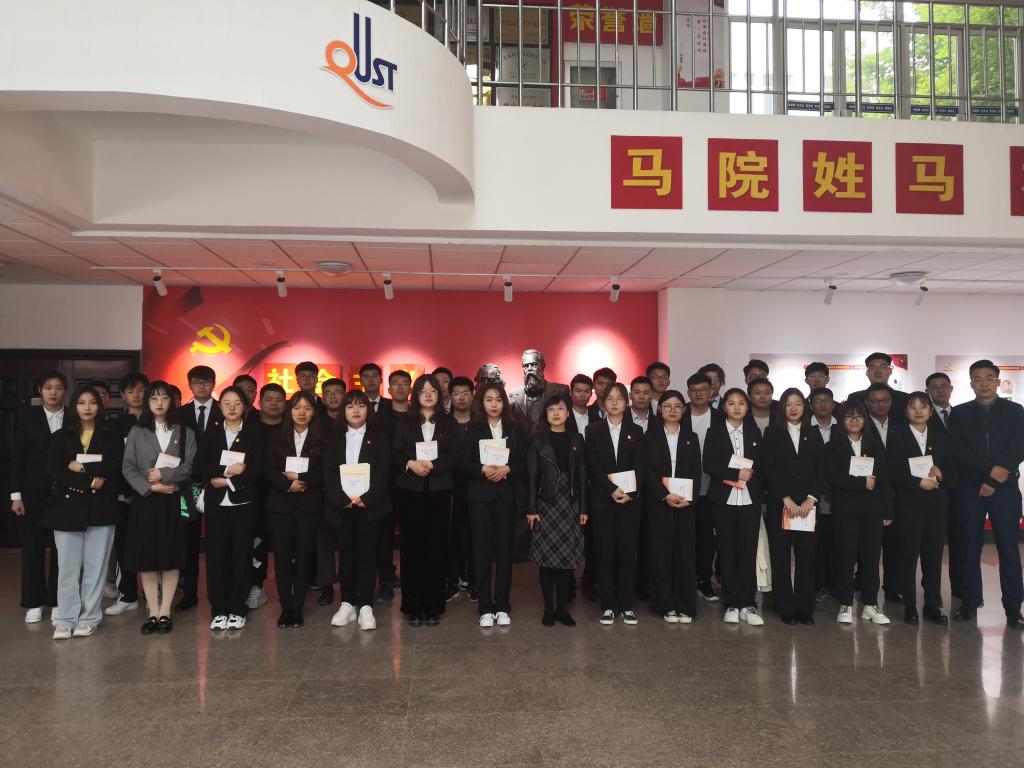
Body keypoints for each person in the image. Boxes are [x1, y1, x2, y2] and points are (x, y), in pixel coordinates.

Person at [948, 360, 1024, 628]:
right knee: (969, 546)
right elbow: (957, 450)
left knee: (1008, 548)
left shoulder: (1015, 411)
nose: (984, 383)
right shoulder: (960, 413)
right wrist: (988, 472)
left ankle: (1013, 608)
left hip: (1005, 489)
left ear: (998, 381)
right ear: (971, 383)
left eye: (989, 378)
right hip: (970, 488)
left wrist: (994, 479)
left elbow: (1018, 446)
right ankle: (970, 601)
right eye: (978, 379)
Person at [43, 386, 122, 639]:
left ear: (100, 406)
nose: (87, 407)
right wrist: (90, 481)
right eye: (81, 403)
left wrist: (82, 468)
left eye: (92, 402)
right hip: (66, 509)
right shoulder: (60, 436)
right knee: (67, 568)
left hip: (101, 508)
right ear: (74, 406)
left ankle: (89, 618)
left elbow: (114, 467)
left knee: (95, 568)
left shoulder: (111, 435)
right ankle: (65, 619)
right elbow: (56, 470)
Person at [122, 380, 197, 635]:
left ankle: (165, 612)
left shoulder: (184, 431)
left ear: (172, 402)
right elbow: (128, 467)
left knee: (170, 557)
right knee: (147, 558)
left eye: (165, 398)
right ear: (147, 402)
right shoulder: (137, 431)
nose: (160, 403)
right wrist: (149, 487)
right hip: (145, 501)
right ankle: (152, 612)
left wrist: (164, 475)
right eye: (154, 398)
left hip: (173, 501)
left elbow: (189, 466)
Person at [194, 386, 265, 631]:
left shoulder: (254, 433)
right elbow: (199, 466)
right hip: (216, 504)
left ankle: (237, 607)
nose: (232, 407)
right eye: (226, 403)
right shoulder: (212, 432)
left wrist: (231, 482)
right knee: (216, 556)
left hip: (243, 503)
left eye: (236, 403)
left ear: (244, 406)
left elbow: (258, 468)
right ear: (220, 406)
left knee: (241, 555)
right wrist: (225, 471)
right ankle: (219, 608)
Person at [392, 374, 459, 626]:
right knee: (411, 548)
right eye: (423, 390)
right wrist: (411, 463)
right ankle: (413, 605)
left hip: (439, 490)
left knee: (436, 548)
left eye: (433, 390)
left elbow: (455, 454)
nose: (428, 394)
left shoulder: (449, 422)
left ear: (439, 395)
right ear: (416, 395)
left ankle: (433, 606)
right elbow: (395, 452)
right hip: (410, 491)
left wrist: (434, 466)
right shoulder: (404, 422)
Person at [324, 389, 391, 631]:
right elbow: (329, 471)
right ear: (343, 410)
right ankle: (347, 602)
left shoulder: (379, 436)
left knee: (367, 555)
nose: (355, 410)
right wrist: (342, 499)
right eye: (350, 406)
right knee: (346, 556)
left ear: (368, 410)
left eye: (361, 405)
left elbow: (383, 471)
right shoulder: (334, 437)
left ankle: (365, 605)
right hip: (343, 507)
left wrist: (367, 498)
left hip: (369, 507)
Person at [887, 392, 955, 626]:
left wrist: (941, 474)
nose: (918, 411)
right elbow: (893, 471)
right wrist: (918, 483)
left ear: (930, 411)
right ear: (906, 412)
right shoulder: (896, 436)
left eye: (923, 406)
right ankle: (910, 606)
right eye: (913, 407)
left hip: (937, 505)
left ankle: (932, 605)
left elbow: (952, 468)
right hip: (909, 505)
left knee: (933, 557)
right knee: (908, 555)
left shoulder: (941, 436)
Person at [463, 382, 527, 627]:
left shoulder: (515, 428)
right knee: (480, 551)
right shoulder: (474, 428)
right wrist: (482, 469)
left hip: (506, 496)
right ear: (482, 403)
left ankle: (502, 605)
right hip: (479, 497)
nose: (493, 404)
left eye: (498, 400)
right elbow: (465, 462)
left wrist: (507, 469)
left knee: (504, 551)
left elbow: (524, 461)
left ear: (504, 403)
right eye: (489, 400)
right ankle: (485, 606)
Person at [825, 400, 893, 626]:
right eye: (849, 416)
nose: (854, 421)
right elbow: (831, 478)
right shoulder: (833, 446)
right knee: (846, 558)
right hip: (845, 510)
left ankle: (871, 604)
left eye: (859, 416)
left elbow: (884, 479)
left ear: (865, 419)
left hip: (872, 511)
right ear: (841, 420)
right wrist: (861, 483)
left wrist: (888, 509)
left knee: (871, 559)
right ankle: (845, 603)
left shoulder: (874, 445)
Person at [763, 388, 826, 626]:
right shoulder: (772, 433)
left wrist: (811, 498)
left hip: (808, 506)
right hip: (781, 504)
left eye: (798, 403)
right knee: (780, 557)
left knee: (806, 557)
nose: (793, 408)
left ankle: (804, 608)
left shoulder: (814, 433)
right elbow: (769, 468)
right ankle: (785, 607)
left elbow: (821, 468)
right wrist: (785, 498)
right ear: (782, 407)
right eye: (788, 404)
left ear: (805, 407)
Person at [526, 394, 588, 627]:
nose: (555, 412)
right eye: (551, 409)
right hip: (546, 503)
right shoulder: (538, 440)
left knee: (566, 560)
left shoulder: (577, 439)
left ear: (568, 413)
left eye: (560, 408)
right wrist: (531, 508)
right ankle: (548, 609)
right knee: (546, 560)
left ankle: (562, 608)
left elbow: (582, 474)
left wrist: (584, 507)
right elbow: (531, 476)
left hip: (570, 503)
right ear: (546, 414)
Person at [703, 388, 764, 626]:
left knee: (748, 552)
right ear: (724, 407)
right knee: (727, 551)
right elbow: (708, 464)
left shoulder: (754, 432)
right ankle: (730, 603)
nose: (737, 407)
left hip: (749, 500)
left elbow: (762, 465)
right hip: (724, 500)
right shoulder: (715, 432)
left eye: (741, 403)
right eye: (731, 403)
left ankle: (748, 604)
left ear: (747, 407)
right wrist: (735, 474)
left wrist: (750, 475)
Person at [586, 383, 645, 625]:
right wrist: (611, 490)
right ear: (603, 402)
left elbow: (640, 466)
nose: (614, 402)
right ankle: (608, 604)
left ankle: (626, 604)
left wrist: (631, 492)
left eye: (619, 398)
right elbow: (593, 465)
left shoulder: (637, 431)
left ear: (626, 402)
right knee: (605, 554)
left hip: (629, 502)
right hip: (603, 501)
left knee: (628, 554)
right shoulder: (593, 430)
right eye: (610, 398)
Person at [10, 371, 67, 623]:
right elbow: (17, 459)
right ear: (40, 391)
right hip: (32, 492)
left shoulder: (73, 417)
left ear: (65, 391)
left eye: (58, 387)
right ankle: (34, 602)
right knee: (32, 547)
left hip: (65, 492)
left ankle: (56, 600)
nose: (53, 392)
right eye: (48, 387)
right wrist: (16, 496)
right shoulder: (28, 418)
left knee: (62, 548)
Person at [264, 391, 324, 628]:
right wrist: (287, 485)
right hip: (280, 506)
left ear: (314, 413)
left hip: (308, 505)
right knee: (281, 558)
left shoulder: (322, 439)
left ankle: (297, 608)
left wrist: (300, 479)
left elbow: (324, 471)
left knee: (303, 557)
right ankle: (285, 607)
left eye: (307, 408)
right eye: (297, 408)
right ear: (290, 411)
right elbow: (268, 469)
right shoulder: (276, 436)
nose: (302, 412)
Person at [643, 389, 701, 623]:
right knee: (661, 555)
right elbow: (648, 472)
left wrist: (691, 498)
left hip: (685, 504)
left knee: (685, 555)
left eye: (677, 406)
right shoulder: (650, 437)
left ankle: (685, 605)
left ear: (684, 410)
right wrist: (664, 495)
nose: (673, 410)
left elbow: (696, 471)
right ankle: (665, 605)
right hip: (660, 504)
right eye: (668, 406)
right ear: (659, 409)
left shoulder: (691, 437)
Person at [178, 364, 221, 612]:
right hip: (188, 484)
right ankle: (189, 593)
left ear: (214, 384)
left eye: (206, 382)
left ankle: (218, 593)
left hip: (217, 483)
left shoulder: (224, 410)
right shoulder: (179, 414)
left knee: (217, 541)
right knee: (188, 540)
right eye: (197, 382)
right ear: (190, 385)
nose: (202, 386)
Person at [105, 372, 149, 617]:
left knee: (152, 543)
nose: (136, 395)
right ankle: (128, 594)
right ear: (122, 395)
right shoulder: (116, 425)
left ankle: (154, 595)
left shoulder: (156, 420)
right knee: (124, 546)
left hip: (153, 493)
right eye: (131, 391)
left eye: (140, 390)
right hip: (124, 496)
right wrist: (124, 491)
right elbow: (114, 461)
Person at [245, 382, 286, 611]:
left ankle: (287, 585)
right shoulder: (249, 428)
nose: (273, 404)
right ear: (260, 403)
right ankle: (256, 586)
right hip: (255, 494)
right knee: (256, 541)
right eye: (268, 399)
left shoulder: (291, 428)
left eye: (279, 400)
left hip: (284, 494)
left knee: (285, 542)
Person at [684, 373, 724, 604]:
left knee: (706, 537)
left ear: (711, 391)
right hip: (683, 485)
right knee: (684, 536)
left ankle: (703, 579)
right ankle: (684, 580)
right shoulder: (679, 413)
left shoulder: (721, 417)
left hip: (711, 485)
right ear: (688, 392)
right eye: (694, 390)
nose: (698, 394)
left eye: (703, 389)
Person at [864, 382, 902, 603]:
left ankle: (893, 586)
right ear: (867, 403)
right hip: (869, 492)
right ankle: (865, 586)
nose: (880, 404)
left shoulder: (901, 426)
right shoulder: (860, 426)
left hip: (898, 493)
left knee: (895, 544)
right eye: (875, 401)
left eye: (884, 400)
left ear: (891, 402)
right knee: (867, 546)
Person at [926, 371, 961, 600]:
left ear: (951, 388)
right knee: (932, 545)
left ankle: (960, 589)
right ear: (928, 391)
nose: (939, 390)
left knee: (960, 541)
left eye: (943, 386)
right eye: (934, 387)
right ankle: (932, 593)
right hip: (932, 488)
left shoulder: (963, 414)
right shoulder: (923, 416)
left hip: (961, 488)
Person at [567, 373, 597, 600]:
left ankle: (590, 580)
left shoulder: (597, 416)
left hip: (594, 483)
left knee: (593, 536)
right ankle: (567, 581)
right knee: (569, 534)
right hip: (569, 484)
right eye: (578, 390)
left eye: (587, 391)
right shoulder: (562, 415)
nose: (583, 395)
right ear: (571, 393)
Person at [809, 387, 838, 601]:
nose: (823, 404)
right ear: (811, 406)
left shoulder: (843, 426)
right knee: (815, 541)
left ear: (833, 404)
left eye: (827, 400)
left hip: (838, 494)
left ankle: (835, 584)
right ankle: (817, 584)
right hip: (811, 495)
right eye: (818, 401)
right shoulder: (803, 428)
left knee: (836, 540)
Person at [448, 376, 475, 602]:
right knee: (451, 534)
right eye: (456, 394)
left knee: (475, 534)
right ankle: (452, 578)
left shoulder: (481, 422)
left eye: (465, 393)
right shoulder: (442, 423)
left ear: (472, 396)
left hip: (476, 485)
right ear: (450, 396)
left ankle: (473, 579)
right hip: (448, 486)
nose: (461, 398)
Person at [509, 349, 571, 433]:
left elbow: (570, 424)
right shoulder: (514, 395)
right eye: (526, 366)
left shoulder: (560, 391)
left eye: (534, 364)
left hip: (551, 440)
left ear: (543, 366)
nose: (529, 369)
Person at [849, 352, 909, 419]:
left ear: (890, 371)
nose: (878, 371)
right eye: (873, 367)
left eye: (882, 367)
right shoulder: (855, 398)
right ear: (867, 373)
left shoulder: (905, 398)